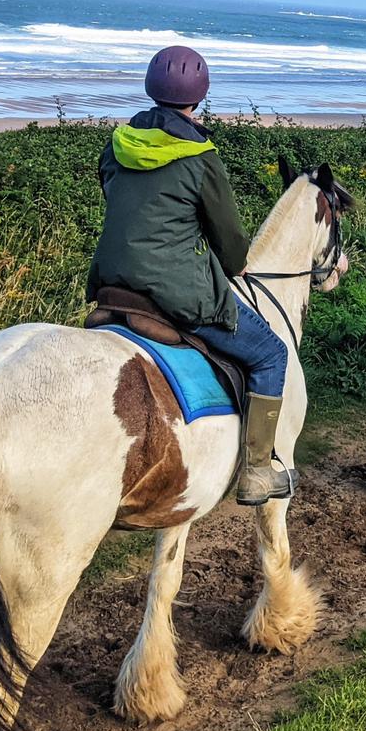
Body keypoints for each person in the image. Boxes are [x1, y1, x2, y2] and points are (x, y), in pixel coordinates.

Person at [87, 45, 294, 506]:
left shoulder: (118, 143)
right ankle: (258, 471)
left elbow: (119, 199)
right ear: (198, 97)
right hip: (176, 291)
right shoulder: (201, 156)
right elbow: (229, 240)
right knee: (270, 355)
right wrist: (234, 264)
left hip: (113, 283)